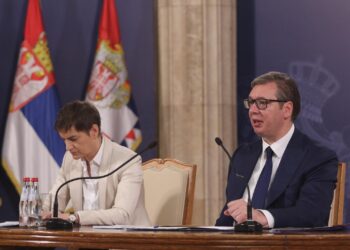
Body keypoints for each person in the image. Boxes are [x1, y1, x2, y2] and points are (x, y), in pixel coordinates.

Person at [216, 71, 338, 228]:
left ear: (287, 109)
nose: (253, 110)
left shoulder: (317, 158)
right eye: (251, 102)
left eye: (262, 103)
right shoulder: (242, 156)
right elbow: (228, 216)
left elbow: (312, 214)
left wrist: (262, 216)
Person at [46, 100, 151, 226]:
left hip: (125, 242)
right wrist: (44, 211)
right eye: (64, 140)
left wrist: (75, 217)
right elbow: (56, 197)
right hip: (85, 241)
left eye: (73, 139)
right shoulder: (69, 159)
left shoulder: (128, 161)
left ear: (94, 131)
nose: (68, 147)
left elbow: (122, 215)